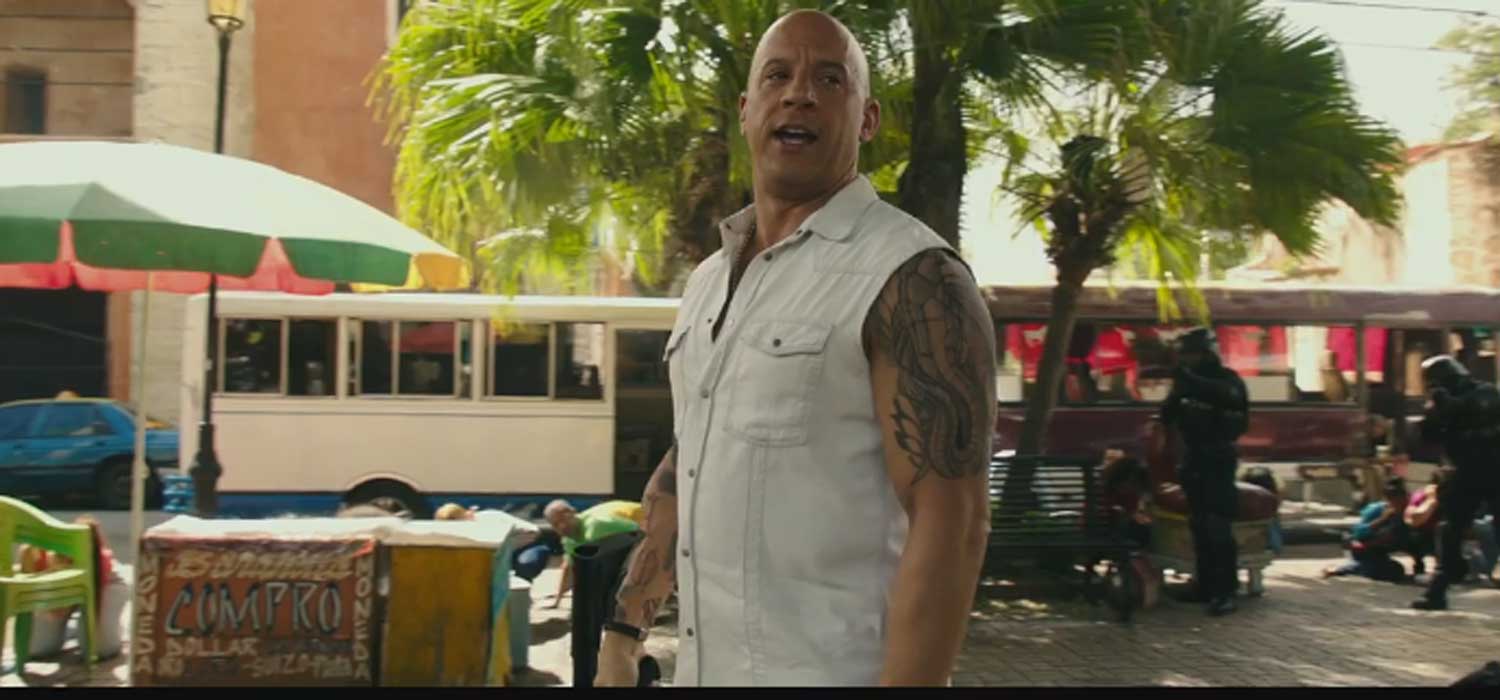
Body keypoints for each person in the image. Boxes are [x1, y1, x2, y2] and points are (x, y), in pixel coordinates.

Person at [593, 10, 996, 687]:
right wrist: (623, 631)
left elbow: (954, 523)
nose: (799, 94)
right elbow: (691, 457)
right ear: (746, 111)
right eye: (777, 76)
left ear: (867, 119)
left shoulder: (914, 278)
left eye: (829, 80)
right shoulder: (709, 280)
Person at [1160, 327, 1249, 617]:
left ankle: (1226, 591)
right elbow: (1167, 415)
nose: (1188, 360)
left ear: (1207, 354)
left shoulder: (1227, 380)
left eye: (1192, 354)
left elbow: (1230, 403)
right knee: (1198, 524)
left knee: (1217, 525)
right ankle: (1205, 585)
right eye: (1185, 355)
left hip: (1219, 459)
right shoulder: (1186, 383)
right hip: (1193, 457)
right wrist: (1176, 392)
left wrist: (1189, 381)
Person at [1411, 356, 1500, 611]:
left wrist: (1446, 405)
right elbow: (1428, 435)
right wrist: (1435, 411)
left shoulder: (1484, 392)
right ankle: (1438, 590)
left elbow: (1475, 407)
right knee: (1450, 530)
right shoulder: (1441, 400)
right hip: (1466, 471)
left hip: (1494, 467)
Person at [18, 515, 129, 660]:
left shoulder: (94, 556)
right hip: (58, 592)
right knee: (35, 649)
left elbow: (95, 590)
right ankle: (74, 629)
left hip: (105, 583)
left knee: (98, 650)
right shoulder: (32, 553)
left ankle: (110, 628)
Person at [544, 499, 643, 609]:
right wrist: (557, 601)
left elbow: (643, 533)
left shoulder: (597, 526)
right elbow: (570, 569)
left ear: (573, 512)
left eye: (563, 520)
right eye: (556, 524)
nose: (561, 526)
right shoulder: (568, 539)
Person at [434, 502, 564, 582]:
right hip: (500, 551)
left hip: (528, 545)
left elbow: (534, 531)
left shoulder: (489, 519)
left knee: (525, 565)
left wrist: (506, 550)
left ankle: (520, 596)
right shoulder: (462, 530)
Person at [1322, 477, 1411, 582]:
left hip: (1381, 551)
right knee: (1380, 570)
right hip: (1360, 548)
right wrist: (1382, 519)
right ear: (1389, 499)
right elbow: (1358, 533)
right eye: (1395, 499)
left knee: (1395, 569)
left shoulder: (1409, 512)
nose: (1401, 503)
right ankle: (1342, 569)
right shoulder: (1377, 509)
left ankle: (1366, 566)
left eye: (1403, 499)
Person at [1404, 471, 1444, 576]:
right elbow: (1413, 518)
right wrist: (1432, 500)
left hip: (1423, 531)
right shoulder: (1426, 495)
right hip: (1425, 532)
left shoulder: (1420, 493)